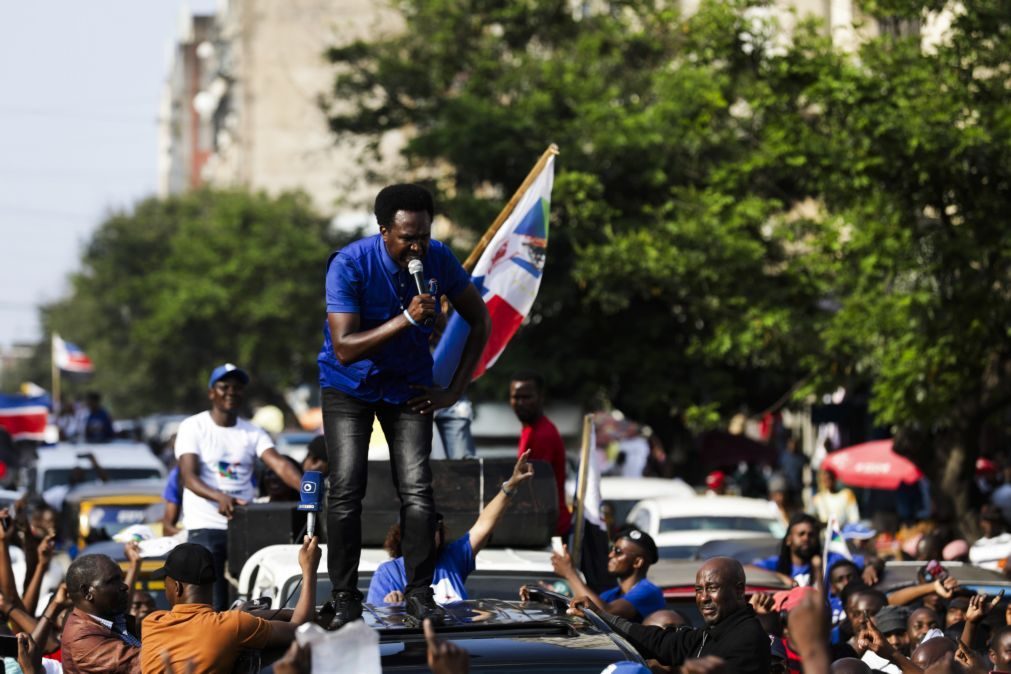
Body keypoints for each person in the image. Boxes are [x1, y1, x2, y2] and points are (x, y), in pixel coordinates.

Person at [318, 183, 490, 627]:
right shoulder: (350, 264)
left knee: (417, 490)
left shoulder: (439, 261)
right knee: (347, 488)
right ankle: (344, 595)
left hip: (409, 386)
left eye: (423, 236)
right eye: (407, 237)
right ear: (383, 231)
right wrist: (408, 318)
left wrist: (453, 390)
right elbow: (344, 348)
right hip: (349, 386)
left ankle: (419, 592)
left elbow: (480, 320)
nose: (416, 246)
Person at [175, 363, 303, 610]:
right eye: (224, 387)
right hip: (206, 526)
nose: (231, 392)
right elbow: (188, 477)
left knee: (247, 598)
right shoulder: (193, 427)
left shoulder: (252, 432)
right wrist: (218, 497)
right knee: (209, 601)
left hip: (245, 524)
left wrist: (309, 489)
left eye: (237, 388)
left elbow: (278, 464)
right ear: (212, 392)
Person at [367, 450, 534, 605]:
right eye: (418, 529)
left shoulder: (452, 559)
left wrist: (510, 486)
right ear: (402, 536)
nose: (427, 535)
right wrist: (392, 609)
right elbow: (377, 628)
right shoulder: (387, 573)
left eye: (432, 528)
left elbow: (484, 524)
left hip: (455, 638)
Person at [139, 538, 320, 673]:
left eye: (165, 585)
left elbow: (198, 624)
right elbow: (300, 627)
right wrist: (309, 569)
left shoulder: (151, 623)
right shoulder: (233, 625)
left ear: (176, 587)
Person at [571, 557, 769, 673]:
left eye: (712, 588)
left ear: (739, 590)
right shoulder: (710, 633)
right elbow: (658, 641)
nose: (704, 597)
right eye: (699, 590)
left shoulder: (747, 639)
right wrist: (599, 616)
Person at [552, 527, 664, 622]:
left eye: (618, 551)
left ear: (637, 562)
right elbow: (587, 609)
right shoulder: (611, 594)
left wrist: (570, 573)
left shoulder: (649, 592)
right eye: (612, 549)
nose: (610, 555)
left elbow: (604, 613)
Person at [508, 372, 571, 536]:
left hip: (548, 528)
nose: (520, 403)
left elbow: (534, 489)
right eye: (516, 397)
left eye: (527, 397)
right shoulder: (530, 430)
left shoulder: (543, 434)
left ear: (541, 397)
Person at [62, 553, 142, 674]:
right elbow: (143, 663)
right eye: (112, 581)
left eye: (121, 579)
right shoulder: (82, 639)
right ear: (86, 592)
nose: (124, 586)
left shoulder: (109, 617)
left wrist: (135, 564)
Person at [754, 513, 845, 587]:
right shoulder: (777, 563)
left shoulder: (828, 560)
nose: (806, 538)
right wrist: (780, 577)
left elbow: (855, 562)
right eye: (801, 534)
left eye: (811, 535)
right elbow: (746, 570)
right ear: (788, 540)